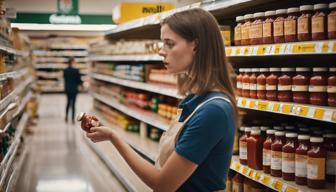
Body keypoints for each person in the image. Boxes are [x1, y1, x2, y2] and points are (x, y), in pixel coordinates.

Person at [84, 8, 238, 191]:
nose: (161, 52)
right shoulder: (196, 98)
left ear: (195, 46)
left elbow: (163, 184)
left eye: (169, 44)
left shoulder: (213, 111)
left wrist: (113, 137)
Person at [64, 57, 82, 123]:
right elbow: (79, 81)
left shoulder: (65, 70)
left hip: (68, 89)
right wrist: (82, 84)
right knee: (73, 104)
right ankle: (72, 119)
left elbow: (65, 79)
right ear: (72, 62)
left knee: (68, 103)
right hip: (74, 89)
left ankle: (66, 117)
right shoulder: (76, 70)